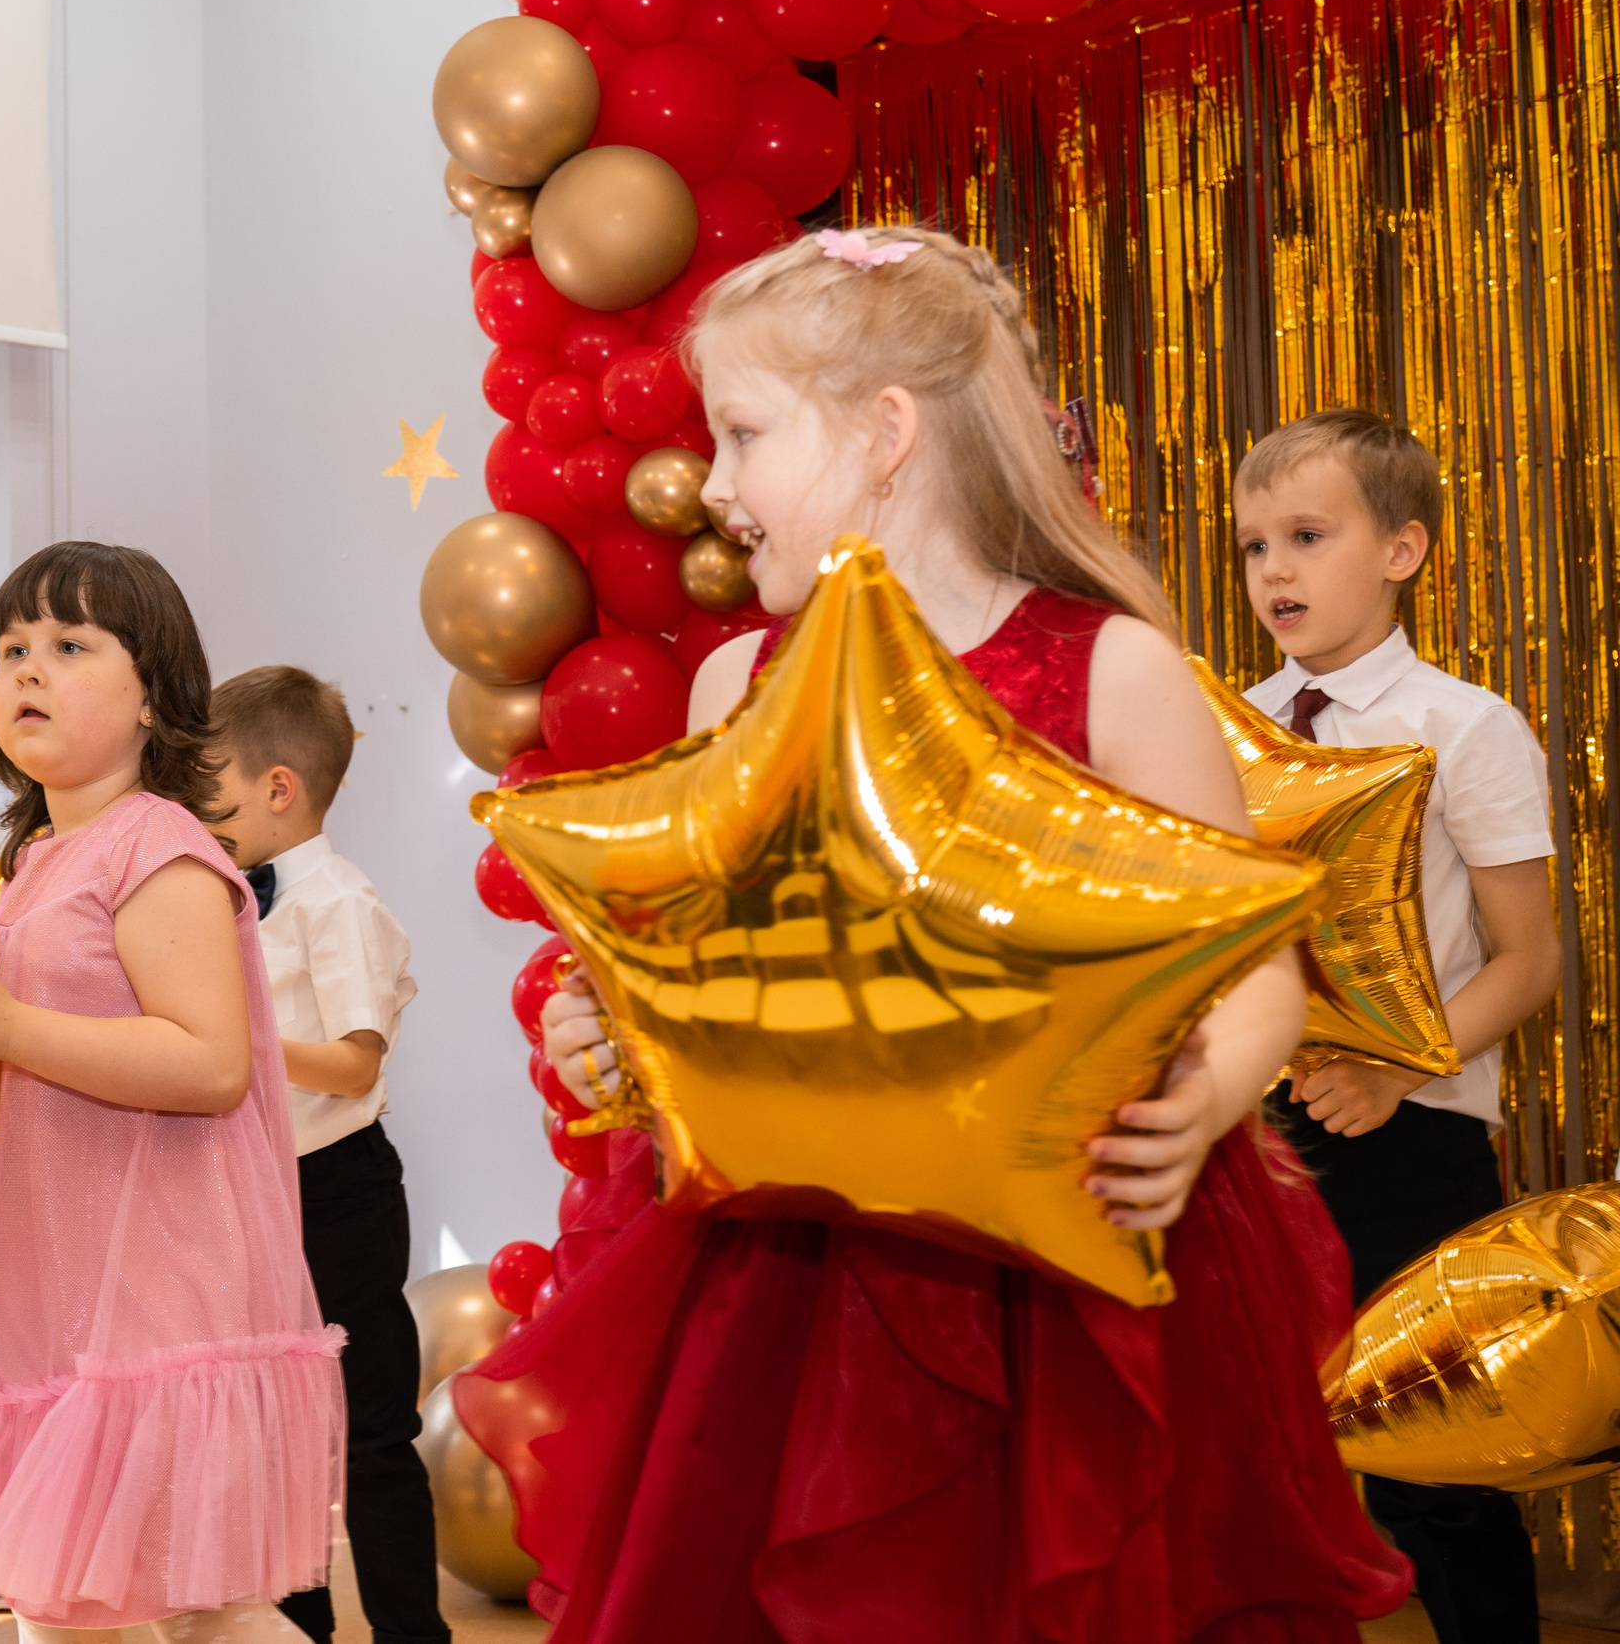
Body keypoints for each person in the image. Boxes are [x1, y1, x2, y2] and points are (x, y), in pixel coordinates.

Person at [459, 226, 1414, 1643]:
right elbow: (690, 975)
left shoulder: (1112, 670)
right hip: (793, 1293)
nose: (712, 487)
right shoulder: (739, 680)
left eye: (742, 433)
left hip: (1076, 1278)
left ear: (886, 432)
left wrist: (1207, 1095)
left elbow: (1256, 969)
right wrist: (606, 1029)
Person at [0, 541, 345, 1644]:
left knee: (204, 1605)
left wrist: (7, 1027)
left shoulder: (154, 845)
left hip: (151, 1280)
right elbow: (41, 1047)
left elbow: (210, 1064)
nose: (27, 669)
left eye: (69, 646)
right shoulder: (35, 862)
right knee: (62, 1594)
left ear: (154, 694)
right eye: (11, 649)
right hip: (49, 1282)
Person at [1238, 409, 1560, 1644]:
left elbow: (1529, 960)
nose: (1275, 570)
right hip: (1256, 1139)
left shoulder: (1465, 727)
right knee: (1266, 1458)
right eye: (1256, 544)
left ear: (1401, 551)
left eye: (1308, 536)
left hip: (1411, 1142)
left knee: (1434, 1471)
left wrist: (1388, 1073)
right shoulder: (1236, 722)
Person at [208, 665, 445, 1644]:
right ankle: (300, 1630)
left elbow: (351, 1067)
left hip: (341, 1193)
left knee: (372, 1441)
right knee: (275, 1444)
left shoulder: (338, 902)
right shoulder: (223, 902)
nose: (191, 810)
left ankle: (410, 1637)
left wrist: (231, 1039)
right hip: (254, 1196)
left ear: (277, 789)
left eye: (207, 789)